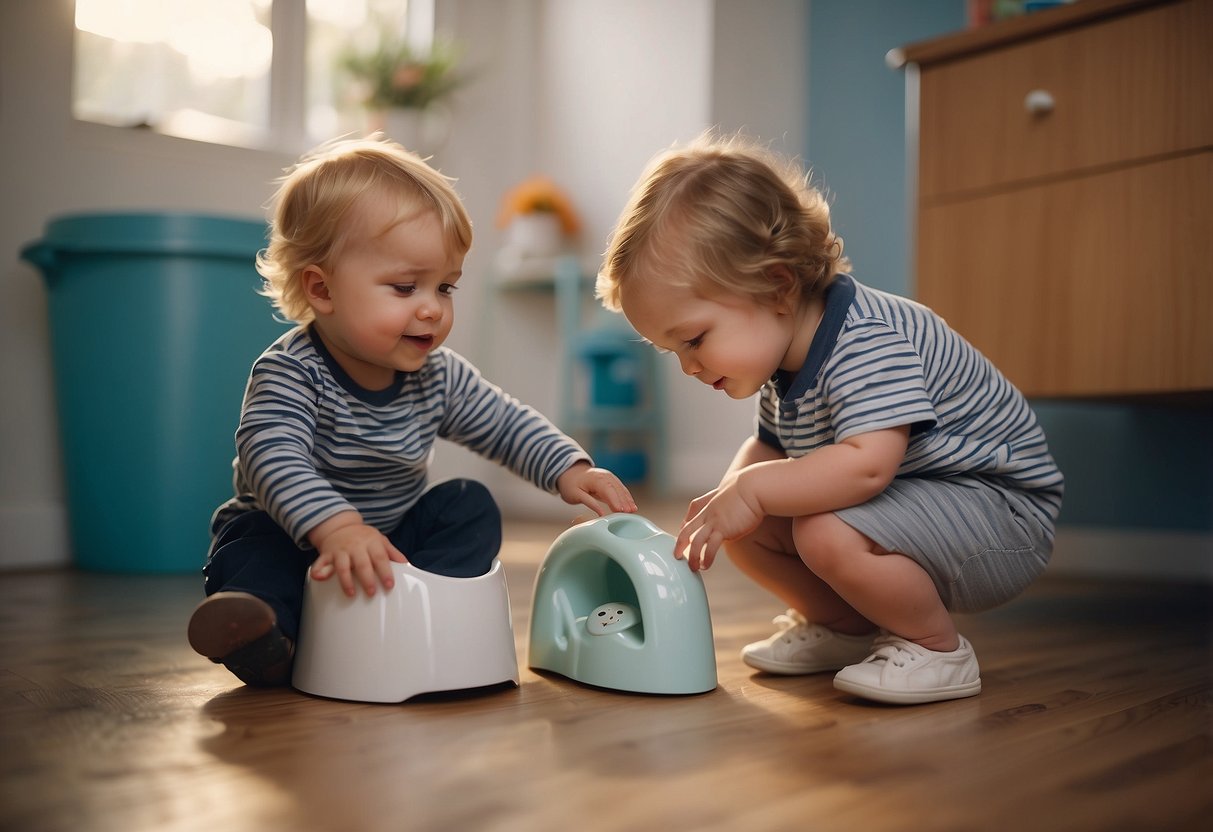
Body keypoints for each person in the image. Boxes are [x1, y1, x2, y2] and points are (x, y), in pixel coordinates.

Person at [596, 132, 1063, 705]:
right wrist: (728, 499)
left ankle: (938, 649)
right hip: (926, 499)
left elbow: (868, 467)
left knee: (822, 528)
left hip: (1000, 513)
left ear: (777, 285)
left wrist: (753, 489)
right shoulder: (782, 358)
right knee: (748, 523)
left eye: (694, 339)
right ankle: (847, 628)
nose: (688, 366)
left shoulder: (865, 339)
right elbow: (769, 451)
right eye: (674, 351)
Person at [188, 136, 636, 687]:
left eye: (445, 286)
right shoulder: (291, 372)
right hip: (297, 539)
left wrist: (571, 469)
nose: (432, 307)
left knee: (470, 504)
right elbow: (270, 457)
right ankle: (267, 636)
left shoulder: (437, 374)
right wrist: (336, 527)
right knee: (250, 546)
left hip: (394, 545)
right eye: (405, 287)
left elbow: (505, 423)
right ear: (321, 289)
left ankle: (426, 610)